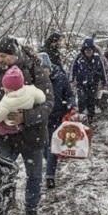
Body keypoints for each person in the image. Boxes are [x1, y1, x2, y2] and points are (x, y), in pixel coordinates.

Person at [0, 37, 55, 215]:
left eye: (3, 56)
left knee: (33, 175)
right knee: (2, 178)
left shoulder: (35, 69)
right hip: (4, 138)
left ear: (14, 55)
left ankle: (30, 210)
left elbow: (48, 102)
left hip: (32, 135)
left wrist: (26, 117)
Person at [40, 52, 76, 189]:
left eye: (45, 69)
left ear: (49, 68)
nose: (44, 73)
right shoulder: (35, 79)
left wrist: (72, 105)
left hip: (57, 116)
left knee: (52, 146)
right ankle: (49, 161)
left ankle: (50, 175)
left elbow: (69, 94)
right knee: (44, 147)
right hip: (41, 118)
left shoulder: (60, 78)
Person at [0, 65, 46, 135]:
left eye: (5, 87)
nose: (3, 89)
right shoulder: (30, 90)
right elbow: (42, 98)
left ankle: (2, 132)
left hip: (11, 126)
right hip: (24, 122)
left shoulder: (7, 102)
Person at [69, 37, 108, 124]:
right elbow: (72, 69)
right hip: (81, 84)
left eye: (90, 50)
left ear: (93, 50)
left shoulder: (97, 59)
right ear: (84, 50)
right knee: (82, 100)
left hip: (93, 83)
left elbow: (103, 71)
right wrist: (71, 80)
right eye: (86, 50)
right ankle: (82, 117)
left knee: (91, 101)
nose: (88, 52)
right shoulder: (78, 58)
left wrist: (105, 82)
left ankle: (90, 117)